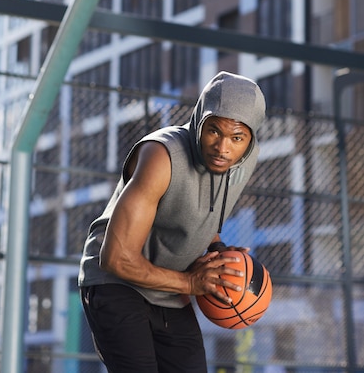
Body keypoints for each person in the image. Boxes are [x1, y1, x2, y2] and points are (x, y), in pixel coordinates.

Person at [78, 71, 266, 373]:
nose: (223, 147)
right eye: (213, 131)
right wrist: (190, 283)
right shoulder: (162, 157)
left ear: (250, 139)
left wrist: (218, 250)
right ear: (198, 122)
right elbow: (116, 258)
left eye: (237, 138)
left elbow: (200, 217)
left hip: (169, 287)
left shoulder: (242, 161)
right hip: (116, 282)